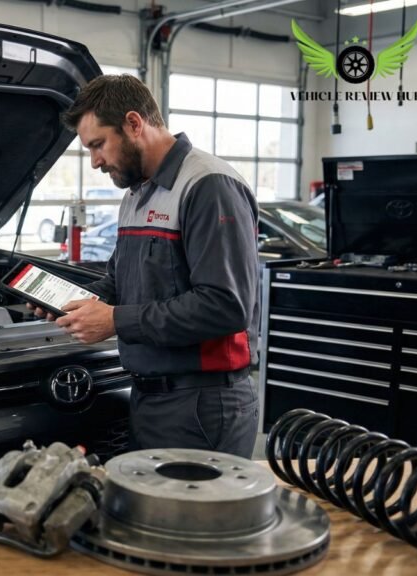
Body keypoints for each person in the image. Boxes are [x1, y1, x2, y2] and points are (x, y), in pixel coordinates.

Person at [30, 74, 260, 458]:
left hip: (203, 405)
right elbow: (120, 284)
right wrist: (71, 301)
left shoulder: (208, 185)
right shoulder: (136, 194)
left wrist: (115, 321)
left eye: (98, 145)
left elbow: (225, 306)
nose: (95, 162)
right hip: (147, 400)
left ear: (134, 124)